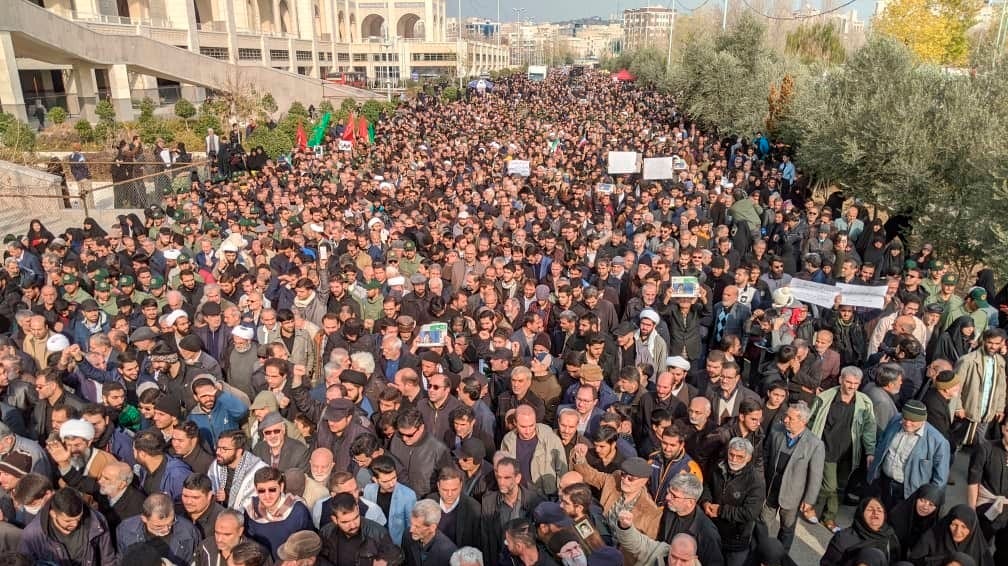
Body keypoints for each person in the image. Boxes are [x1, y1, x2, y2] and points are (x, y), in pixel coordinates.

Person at [807, 366, 877, 532]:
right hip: (825, 448)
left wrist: (869, 451)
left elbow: (869, 428)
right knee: (829, 486)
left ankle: (827, 516)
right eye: (848, 382)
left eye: (856, 383)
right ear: (840, 380)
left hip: (848, 453)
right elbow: (811, 420)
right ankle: (814, 508)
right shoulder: (825, 398)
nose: (852, 386)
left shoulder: (864, 403)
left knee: (840, 486)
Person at [761, 401, 825, 551]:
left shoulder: (814, 444)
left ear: (803, 421)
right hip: (770, 488)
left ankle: (781, 557)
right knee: (762, 525)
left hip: (792, 495)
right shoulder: (776, 431)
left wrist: (809, 500)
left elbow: (815, 476)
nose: (785, 420)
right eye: (786, 416)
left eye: (790, 418)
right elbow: (765, 454)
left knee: (787, 530)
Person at [869, 400, 950, 509]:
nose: (907, 423)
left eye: (913, 421)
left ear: (923, 420)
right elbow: (882, 441)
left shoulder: (938, 442)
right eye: (905, 418)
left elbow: (940, 478)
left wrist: (929, 501)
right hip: (884, 483)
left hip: (910, 493)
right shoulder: (895, 421)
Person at [19, 487, 117, 566]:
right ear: (53, 514)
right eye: (68, 521)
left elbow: (108, 559)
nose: (75, 524)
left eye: (79, 518)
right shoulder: (32, 535)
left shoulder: (97, 520)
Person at [242, 467, 314, 559]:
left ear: (281, 487)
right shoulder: (251, 509)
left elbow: (308, 545)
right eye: (261, 491)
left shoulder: (297, 510)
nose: (267, 496)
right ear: (256, 490)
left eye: (272, 490)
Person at [500, 404, 568, 497]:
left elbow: (562, 470)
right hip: (518, 495)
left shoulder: (550, 439)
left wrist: (560, 496)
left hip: (546, 495)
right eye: (523, 427)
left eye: (531, 425)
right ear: (515, 422)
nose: (528, 431)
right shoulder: (508, 440)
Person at [116, 492, 201, 565]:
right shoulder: (126, 530)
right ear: (144, 518)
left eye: (171, 522)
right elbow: (121, 560)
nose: (166, 529)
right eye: (159, 526)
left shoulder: (189, 531)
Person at [319, 492, 401, 566]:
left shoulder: (378, 533)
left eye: (356, 518)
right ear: (334, 519)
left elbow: (396, 557)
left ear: (358, 509)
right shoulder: (326, 533)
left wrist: (387, 563)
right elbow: (321, 559)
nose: (353, 525)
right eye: (345, 522)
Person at [820, 497, 901, 566]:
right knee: (872, 555)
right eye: (870, 509)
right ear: (861, 514)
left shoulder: (890, 536)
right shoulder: (844, 538)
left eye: (879, 510)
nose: (875, 512)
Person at [908, 505, 994, 566]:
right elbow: (914, 560)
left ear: (972, 529)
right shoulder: (932, 537)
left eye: (964, 527)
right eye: (954, 525)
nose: (957, 531)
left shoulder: (982, 552)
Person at [889, 485, 944, 560]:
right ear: (915, 498)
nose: (925, 507)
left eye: (931, 504)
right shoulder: (897, 514)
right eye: (922, 500)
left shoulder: (937, 524)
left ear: (936, 508)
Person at [404, 499, 457, 566]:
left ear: (432, 527)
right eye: (411, 524)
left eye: (417, 527)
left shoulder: (449, 553)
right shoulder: (407, 536)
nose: (411, 530)